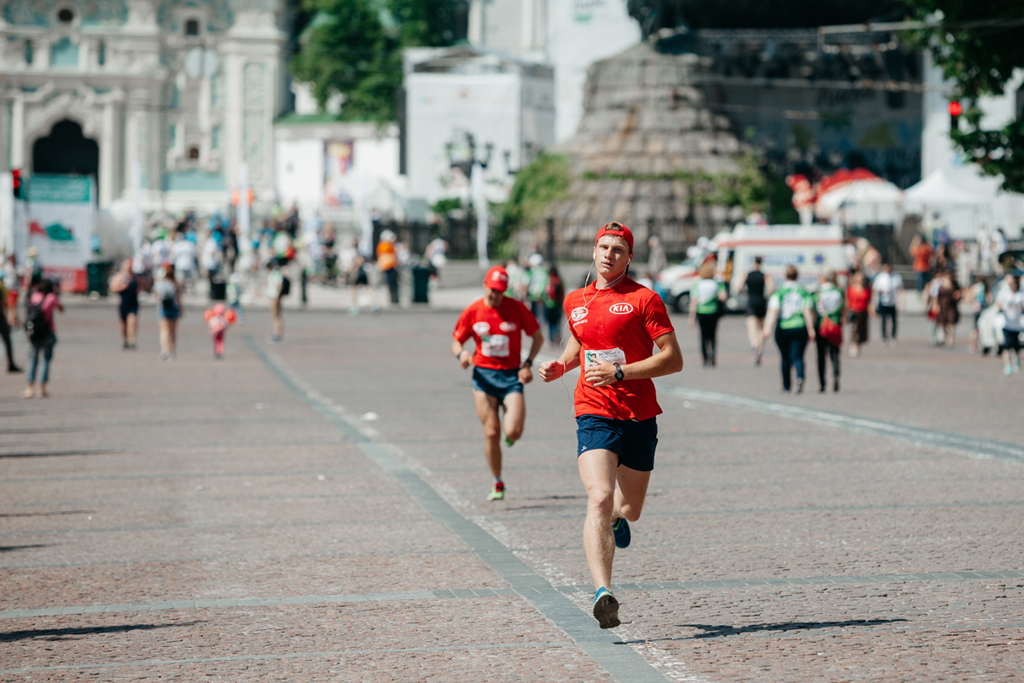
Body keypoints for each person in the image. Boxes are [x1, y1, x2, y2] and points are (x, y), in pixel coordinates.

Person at [538, 222, 683, 629]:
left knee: (629, 510)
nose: (608, 255)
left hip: (638, 413)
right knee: (599, 497)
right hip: (593, 411)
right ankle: (604, 592)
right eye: (603, 247)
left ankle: (619, 519)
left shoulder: (645, 299)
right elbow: (579, 344)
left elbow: (673, 359)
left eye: (618, 249)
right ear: (594, 251)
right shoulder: (575, 300)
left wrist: (621, 373)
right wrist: (559, 364)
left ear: (629, 257)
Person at [452, 266, 543, 502]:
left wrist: (527, 364)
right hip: (484, 376)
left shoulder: (516, 308)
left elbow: (537, 336)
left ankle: (510, 435)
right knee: (492, 431)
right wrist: (461, 354)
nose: (495, 295)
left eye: (500, 292)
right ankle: (497, 481)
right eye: (492, 290)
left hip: (511, 376)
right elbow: (456, 341)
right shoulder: (473, 311)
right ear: (485, 285)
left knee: (513, 431)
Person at [762, 265, 816, 393]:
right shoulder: (803, 291)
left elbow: (774, 311)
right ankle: (799, 376)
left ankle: (786, 385)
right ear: (797, 276)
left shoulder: (779, 292)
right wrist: (810, 328)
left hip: (783, 327)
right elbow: (807, 311)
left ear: (785, 275)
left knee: (785, 357)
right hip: (800, 327)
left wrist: (767, 328)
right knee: (798, 356)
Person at [22, 279, 63, 398]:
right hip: (48, 331)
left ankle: (29, 388)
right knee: (46, 360)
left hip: (34, 332)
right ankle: (42, 389)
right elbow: (61, 309)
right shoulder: (52, 297)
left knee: (32, 360)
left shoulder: (34, 296)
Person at [688, 260, 726, 367]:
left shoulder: (698, 284)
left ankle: (705, 358)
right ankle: (713, 356)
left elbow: (694, 301)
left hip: (701, 312)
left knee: (703, 336)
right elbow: (723, 297)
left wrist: (692, 317)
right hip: (713, 311)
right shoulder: (716, 283)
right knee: (713, 335)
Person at [813, 271, 845, 393]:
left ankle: (822, 383)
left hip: (822, 325)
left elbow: (814, 308)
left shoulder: (818, 292)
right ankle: (836, 375)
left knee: (821, 355)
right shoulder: (838, 291)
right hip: (835, 324)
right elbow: (843, 306)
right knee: (835, 353)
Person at [737, 255, 771, 365]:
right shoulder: (765, 275)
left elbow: (738, 288)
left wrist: (744, 293)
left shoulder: (747, 274)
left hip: (751, 302)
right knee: (760, 328)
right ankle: (760, 347)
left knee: (752, 327)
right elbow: (772, 288)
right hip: (761, 302)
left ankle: (755, 346)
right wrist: (767, 297)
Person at [109, 259, 140, 349]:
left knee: (133, 320)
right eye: (128, 266)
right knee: (124, 323)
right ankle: (125, 340)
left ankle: (132, 340)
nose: (129, 268)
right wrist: (123, 287)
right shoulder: (119, 276)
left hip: (133, 302)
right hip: (123, 302)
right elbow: (113, 288)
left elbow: (142, 286)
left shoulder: (135, 277)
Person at [996, 274, 1023, 374]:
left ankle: (1016, 360)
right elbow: (998, 303)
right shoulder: (1003, 293)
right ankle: (1007, 365)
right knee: (1007, 345)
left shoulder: (1020, 294)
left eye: (1013, 283)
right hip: (1006, 323)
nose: (1011, 285)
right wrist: (999, 307)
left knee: (1016, 346)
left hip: (1016, 325)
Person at [154, 264, 182, 359]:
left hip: (163, 307)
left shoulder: (160, 283)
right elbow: (178, 298)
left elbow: (156, 295)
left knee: (164, 330)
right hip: (174, 307)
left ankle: (164, 350)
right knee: (173, 331)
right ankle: (172, 351)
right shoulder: (175, 283)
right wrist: (181, 309)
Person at [871, 263, 903, 346]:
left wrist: (901, 302)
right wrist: (881, 291)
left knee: (894, 320)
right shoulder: (880, 277)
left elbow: (900, 290)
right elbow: (875, 289)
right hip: (883, 301)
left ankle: (893, 336)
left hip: (893, 302)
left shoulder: (896, 277)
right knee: (884, 320)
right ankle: (884, 337)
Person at [846, 272, 870, 357]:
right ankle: (853, 346)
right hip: (854, 312)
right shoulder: (851, 288)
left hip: (863, 312)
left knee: (861, 330)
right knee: (854, 329)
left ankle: (858, 345)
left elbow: (869, 301)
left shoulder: (866, 289)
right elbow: (847, 301)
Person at [935, 270, 961, 347]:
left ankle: (951, 338)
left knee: (951, 322)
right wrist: (936, 305)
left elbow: (959, 293)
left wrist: (957, 296)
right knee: (943, 323)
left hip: (951, 306)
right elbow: (937, 296)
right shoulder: (940, 285)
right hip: (943, 306)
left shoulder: (954, 284)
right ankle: (945, 336)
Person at [266, 260, 288, 343]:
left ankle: (277, 334)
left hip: (274, 297)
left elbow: (279, 285)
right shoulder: (275, 273)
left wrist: (277, 297)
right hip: (274, 297)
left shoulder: (275, 273)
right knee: (276, 316)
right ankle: (277, 333)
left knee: (275, 316)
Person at [543, 264, 565, 347]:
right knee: (557, 322)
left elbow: (544, 292)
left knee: (550, 323)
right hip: (558, 304)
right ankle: (557, 334)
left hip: (548, 304)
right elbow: (563, 291)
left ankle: (551, 340)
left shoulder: (547, 280)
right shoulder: (560, 280)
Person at [377, 230, 400, 305]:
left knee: (393, 284)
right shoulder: (385, 245)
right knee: (391, 283)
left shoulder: (389, 245)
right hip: (388, 267)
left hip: (390, 266)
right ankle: (393, 299)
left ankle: (394, 299)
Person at [526, 253, 549, 323]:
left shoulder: (530, 272)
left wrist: (524, 298)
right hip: (543, 298)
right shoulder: (545, 272)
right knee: (541, 318)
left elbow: (525, 285)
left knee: (532, 318)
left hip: (532, 297)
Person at [969, 276, 989, 354]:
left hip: (976, 308)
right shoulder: (985, 287)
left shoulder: (975, 287)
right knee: (981, 327)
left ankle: (973, 345)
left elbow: (971, 297)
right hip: (983, 308)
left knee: (975, 328)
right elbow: (988, 298)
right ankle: (982, 344)